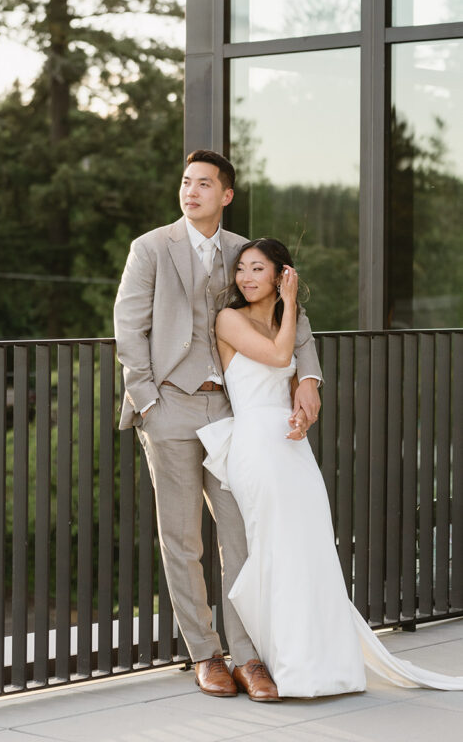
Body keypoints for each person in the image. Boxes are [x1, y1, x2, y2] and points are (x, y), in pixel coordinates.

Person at [198, 237, 463, 696]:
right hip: (256, 445)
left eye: (258, 269)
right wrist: (293, 303)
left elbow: (299, 366)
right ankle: (281, 663)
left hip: (293, 445)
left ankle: (325, 664)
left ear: (280, 272)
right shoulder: (230, 318)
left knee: (312, 545)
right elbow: (282, 357)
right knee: (274, 547)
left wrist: (305, 394)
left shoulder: (291, 321)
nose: (245, 277)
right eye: (242, 269)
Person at [114, 149, 323, 701]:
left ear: (225, 195)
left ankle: (249, 656)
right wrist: (147, 400)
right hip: (171, 408)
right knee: (182, 539)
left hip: (233, 412)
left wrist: (309, 380)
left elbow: (296, 324)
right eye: (186, 182)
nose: (191, 192)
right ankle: (205, 654)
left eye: (204, 184)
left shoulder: (244, 253)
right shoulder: (151, 248)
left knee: (241, 535)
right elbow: (128, 327)